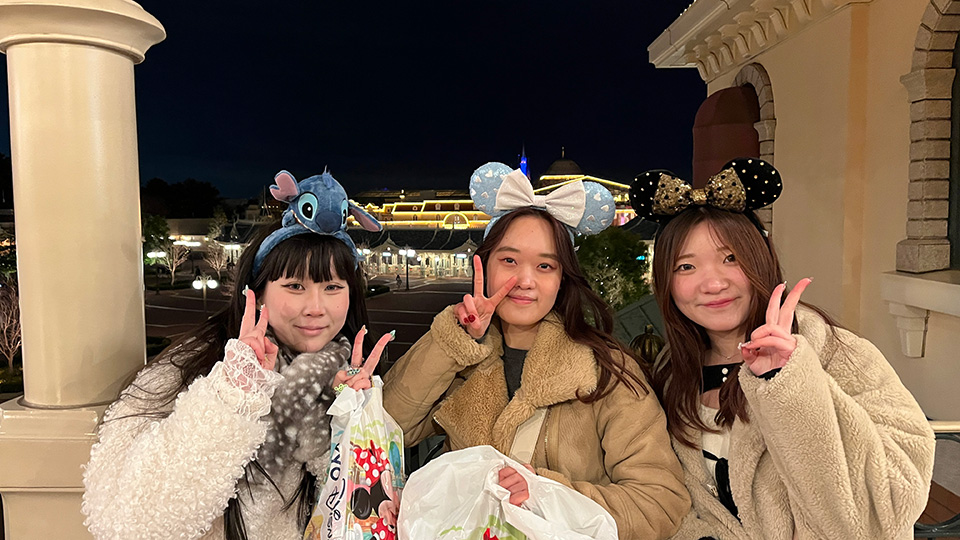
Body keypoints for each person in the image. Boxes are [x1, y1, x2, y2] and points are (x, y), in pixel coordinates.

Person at [629, 159, 936, 540]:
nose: (713, 283)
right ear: (666, 283)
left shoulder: (841, 355)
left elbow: (886, 510)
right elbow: (673, 503)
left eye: (730, 258)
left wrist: (790, 385)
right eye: (686, 267)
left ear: (761, 260)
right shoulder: (670, 374)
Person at [382, 162, 691, 540]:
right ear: (484, 266)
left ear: (562, 279)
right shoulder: (462, 359)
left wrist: (545, 494)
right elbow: (390, 427)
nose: (525, 281)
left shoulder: (606, 372)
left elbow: (660, 503)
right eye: (509, 260)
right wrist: (453, 341)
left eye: (545, 265)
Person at [82, 170, 391, 540]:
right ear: (257, 294)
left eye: (333, 287)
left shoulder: (345, 372)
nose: (315, 308)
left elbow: (361, 512)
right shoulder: (189, 367)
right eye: (295, 286)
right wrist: (232, 396)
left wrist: (345, 416)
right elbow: (128, 525)